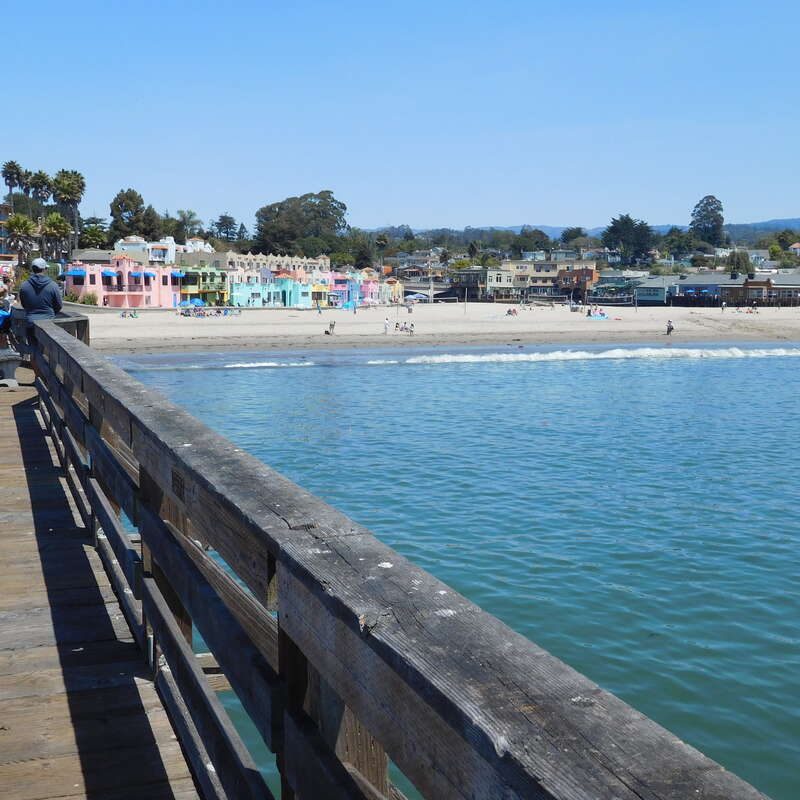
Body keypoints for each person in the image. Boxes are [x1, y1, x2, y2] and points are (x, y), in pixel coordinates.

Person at [19, 259, 63, 345]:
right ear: (44, 269)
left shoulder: (24, 286)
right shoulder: (53, 285)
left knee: (34, 350)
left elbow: (24, 304)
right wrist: (51, 313)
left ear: (32, 269)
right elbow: (59, 305)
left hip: (31, 322)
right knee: (48, 351)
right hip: (49, 323)